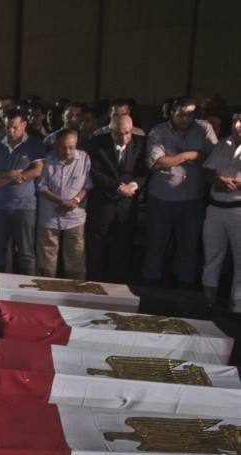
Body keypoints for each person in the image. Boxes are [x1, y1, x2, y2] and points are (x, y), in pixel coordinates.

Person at [143, 95, 218, 286]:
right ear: (171, 113)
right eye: (181, 114)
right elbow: (157, 163)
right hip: (162, 199)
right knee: (156, 246)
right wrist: (189, 155)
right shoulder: (159, 131)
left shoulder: (203, 128)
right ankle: (150, 288)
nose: (186, 119)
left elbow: (214, 157)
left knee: (188, 248)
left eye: (191, 114)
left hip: (193, 198)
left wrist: (174, 158)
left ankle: (185, 290)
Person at [85, 113, 148, 282]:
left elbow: (143, 172)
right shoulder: (97, 144)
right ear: (111, 130)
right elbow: (95, 173)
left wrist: (133, 187)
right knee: (96, 249)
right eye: (119, 133)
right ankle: (94, 284)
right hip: (102, 204)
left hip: (126, 205)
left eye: (128, 132)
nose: (124, 137)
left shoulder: (140, 144)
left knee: (122, 248)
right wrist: (118, 187)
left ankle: (117, 285)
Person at [0, 108, 46, 273]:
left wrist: (3, 179)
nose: (11, 131)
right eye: (7, 127)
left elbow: (38, 170)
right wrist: (11, 174)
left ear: (24, 125)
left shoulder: (34, 144)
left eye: (15, 127)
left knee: (26, 253)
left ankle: (27, 292)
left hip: (24, 207)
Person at [35, 129, 92, 279]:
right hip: (50, 216)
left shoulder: (84, 158)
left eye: (71, 147)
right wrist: (61, 202)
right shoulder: (47, 159)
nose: (67, 151)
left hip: (75, 217)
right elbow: (41, 186)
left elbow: (88, 185)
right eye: (63, 147)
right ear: (56, 145)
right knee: (46, 262)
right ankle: (45, 295)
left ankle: (75, 296)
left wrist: (75, 201)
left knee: (76, 260)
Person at [201, 110, 241, 310]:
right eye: (235, 121)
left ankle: (238, 306)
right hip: (216, 208)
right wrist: (217, 180)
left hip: (238, 209)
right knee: (212, 258)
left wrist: (235, 184)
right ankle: (209, 302)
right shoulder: (222, 144)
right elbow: (207, 171)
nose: (238, 125)